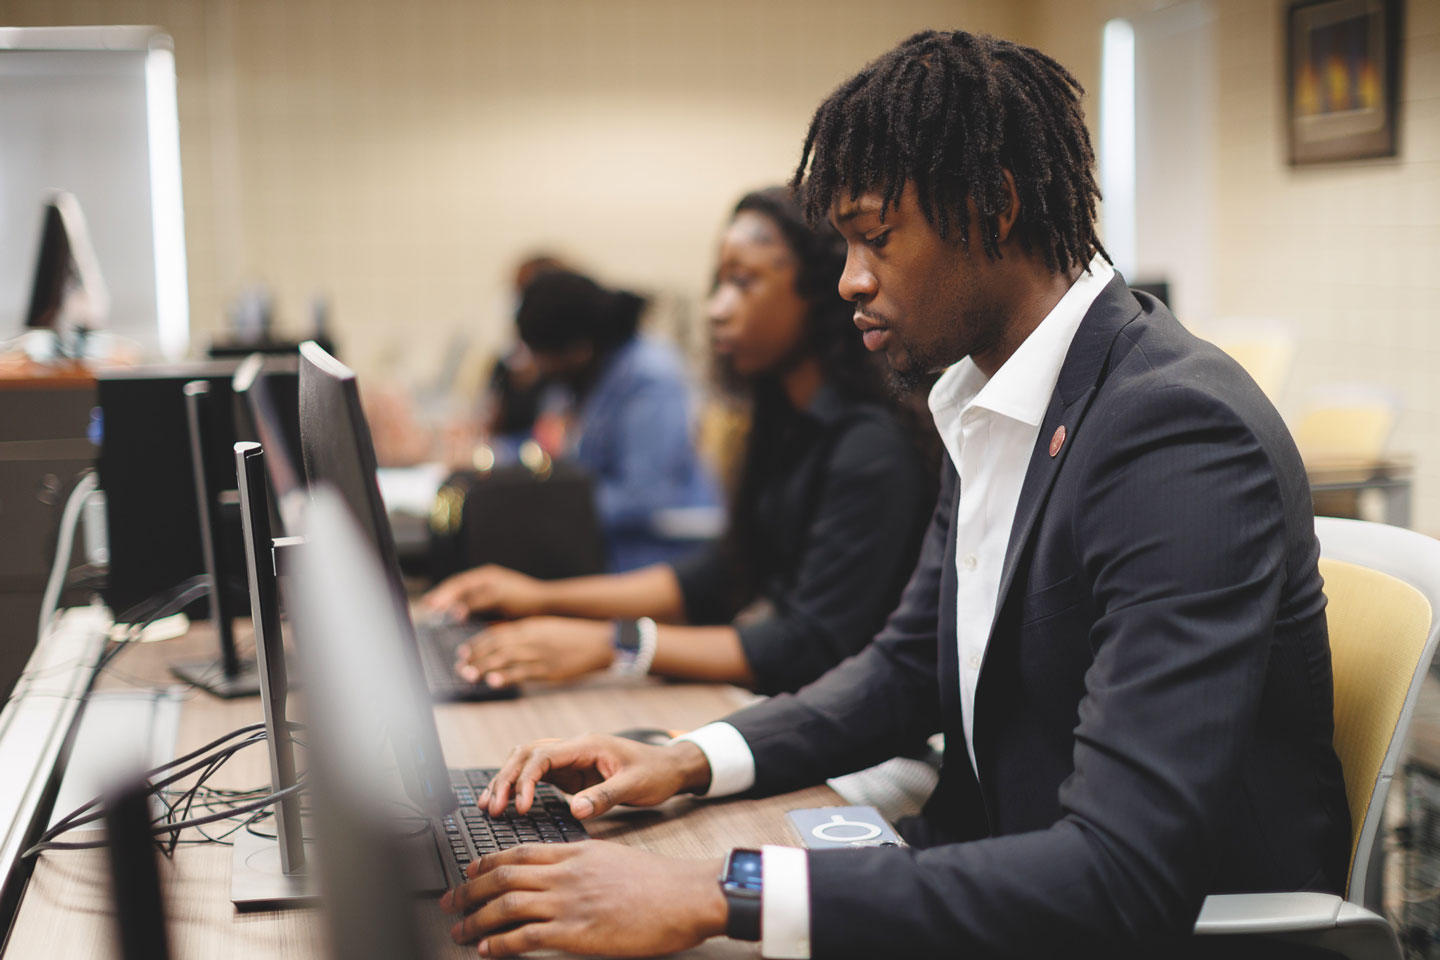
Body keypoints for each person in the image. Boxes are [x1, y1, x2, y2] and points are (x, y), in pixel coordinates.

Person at [435, 30, 1352, 960]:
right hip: (1000, 875)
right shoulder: (983, 394)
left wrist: (724, 893)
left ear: (994, 206)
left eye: (876, 238)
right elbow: (906, 667)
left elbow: (1121, 873)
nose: (850, 281)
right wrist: (687, 757)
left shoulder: (1176, 433)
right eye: (842, 244)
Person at [424, 188, 934, 694]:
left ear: (820, 293)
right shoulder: (787, 427)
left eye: (743, 281)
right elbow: (723, 574)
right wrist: (539, 597)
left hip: (866, 752)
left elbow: (809, 647)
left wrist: (614, 645)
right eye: (718, 283)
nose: (716, 309)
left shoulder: (870, 447)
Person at [506, 268, 719, 572]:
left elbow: (643, 496)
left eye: (545, 358)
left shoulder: (649, 376)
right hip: (609, 542)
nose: (541, 369)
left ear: (578, 350)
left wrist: (549, 508)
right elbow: (554, 450)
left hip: (660, 551)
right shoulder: (586, 379)